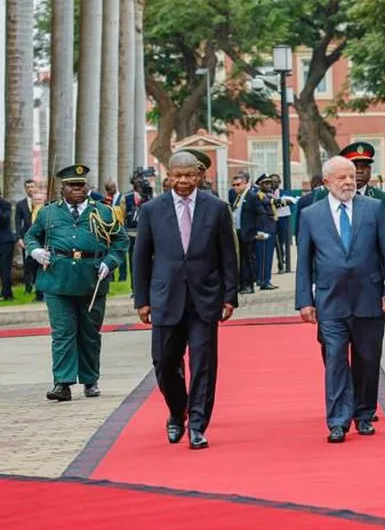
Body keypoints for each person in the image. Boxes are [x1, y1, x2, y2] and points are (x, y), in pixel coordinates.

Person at [133, 152, 239, 450]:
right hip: (165, 298)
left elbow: (228, 255)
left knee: (204, 363)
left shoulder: (217, 208)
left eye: (189, 176)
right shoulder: (153, 210)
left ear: (199, 176)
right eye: (177, 176)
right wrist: (142, 299)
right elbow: (141, 257)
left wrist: (230, 296)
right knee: (164, 362)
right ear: (168, 176)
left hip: (205, 298)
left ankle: (197, 424)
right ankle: (176, 412)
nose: (182, 181)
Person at [296, 156, 385, 443]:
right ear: (326, 182)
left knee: (368, 359)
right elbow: (304, 261)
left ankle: (364, 414)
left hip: (369, 297)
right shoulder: (311, 214)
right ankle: (338, 420)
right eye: (341, 178)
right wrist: (305, 300)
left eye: (351, 177)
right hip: (330, 300)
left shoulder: (374, 209)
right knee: (335, 359)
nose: (348, 182)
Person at [25, 165, 130, 401]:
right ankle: (62, 383)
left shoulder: (103, 211)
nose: (77, 190)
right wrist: (35, 251)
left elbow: (120, 241)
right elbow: (32, 236)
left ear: (87, 186)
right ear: (63, 188)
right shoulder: (48, 213)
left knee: (90, 333)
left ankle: (90, 380)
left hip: (92, 279)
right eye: (71, 185)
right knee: (62, 333)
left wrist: (110, 262)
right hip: (57, 280)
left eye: (81, 185)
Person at [16, 179, 41, 300]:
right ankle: (28, 287)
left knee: (39, 263)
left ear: (36, 187)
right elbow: (17, 222)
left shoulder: (42, 202)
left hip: (40, 238)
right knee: (27, 264)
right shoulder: (20, 204)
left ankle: (39, 287)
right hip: (26, 238)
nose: (30, 189)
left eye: (32, 186)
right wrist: (19, 238)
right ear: (25, 189)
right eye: (28, 187)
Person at [254, 175, 279, 290]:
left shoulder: (269, 195)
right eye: (266, 183)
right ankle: (263, 280)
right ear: (260, 185)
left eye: (270, 183)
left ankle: (266, 279)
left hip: (271, 228)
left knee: (268, 256)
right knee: (263, 256)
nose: (269, 185)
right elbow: (262, 212)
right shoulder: (259, 196)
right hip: (264, 229)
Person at [0, 189, 15, 300]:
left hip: (5, 242)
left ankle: (7, 293)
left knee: (5, 268)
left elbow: (5, 219)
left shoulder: (5, 205)